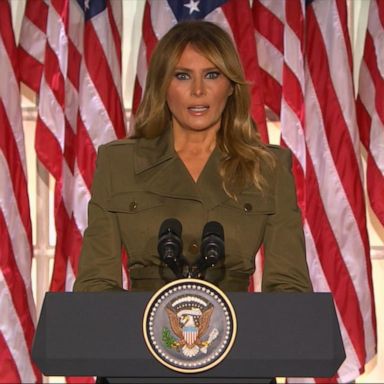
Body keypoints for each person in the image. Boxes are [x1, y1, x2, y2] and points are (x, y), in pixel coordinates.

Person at [74, 20, 312, 294]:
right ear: (162, 85)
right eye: (183, 76)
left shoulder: (269, 167)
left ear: (231, 86)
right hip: (138, 329)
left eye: (212, 75)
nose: (198, 90)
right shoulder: (119, 163)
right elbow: (95, 286)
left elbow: (289, 289)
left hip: (241, 329)